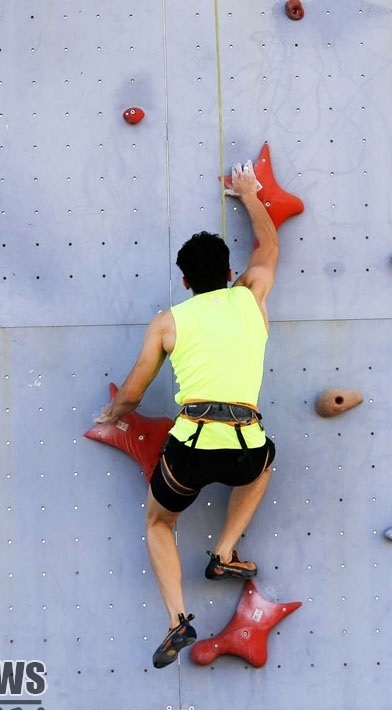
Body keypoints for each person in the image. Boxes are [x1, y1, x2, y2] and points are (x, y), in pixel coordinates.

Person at [94, 161, 280, 669]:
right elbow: (268, 247)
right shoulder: (251, 295)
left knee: (158, 522)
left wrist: (112, 415)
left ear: (183, 281)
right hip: (244, 445)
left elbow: (133, 392)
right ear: (227, 274)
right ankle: (223, 552)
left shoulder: (168, 321)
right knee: (266, 461)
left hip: (191, 449)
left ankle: (178, 620)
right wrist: (248, 194)